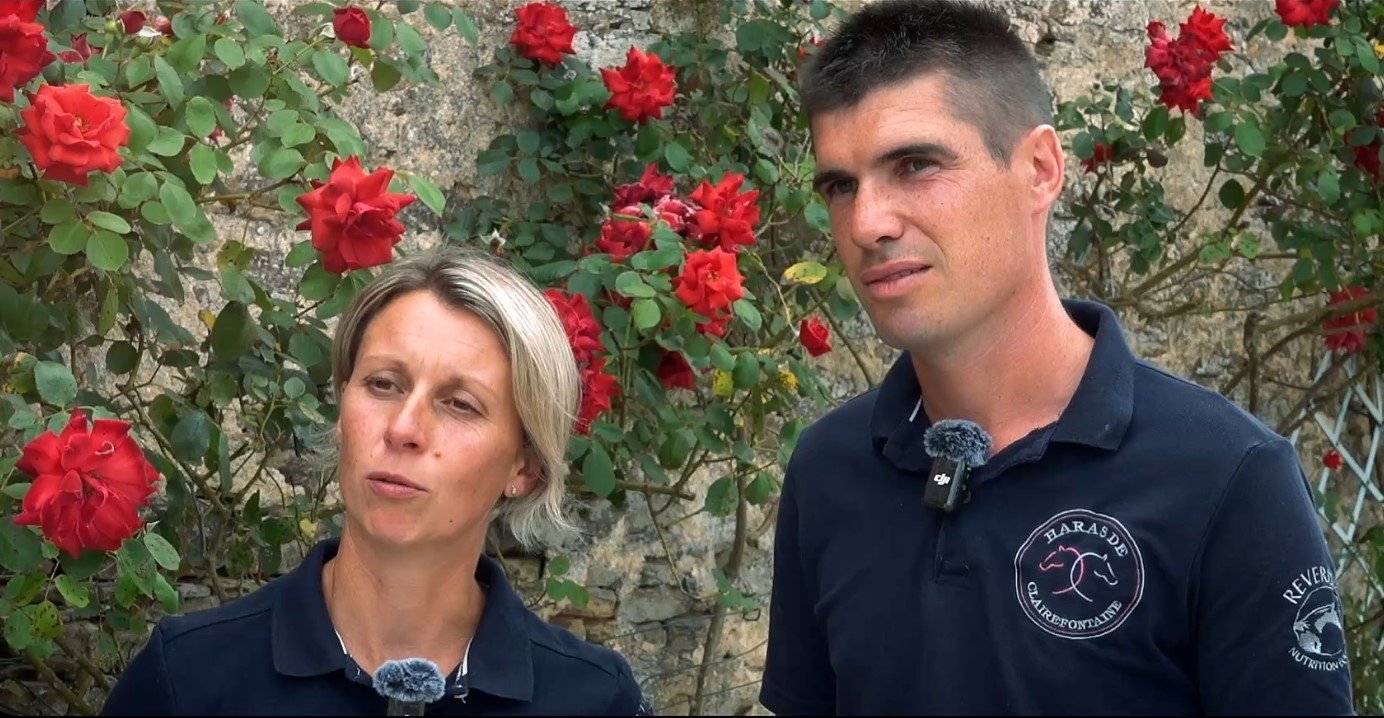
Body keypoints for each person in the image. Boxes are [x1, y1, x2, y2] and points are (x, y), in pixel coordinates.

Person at [760, 0, 1355, 714]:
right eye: (841, 186)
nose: (867, 223)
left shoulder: (1226, 480)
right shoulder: (830, 468)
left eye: (916, 165)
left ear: (1040, 170)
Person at [103, 247, 650, 715]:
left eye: (460, 404)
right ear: (344, 404)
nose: (404, 428)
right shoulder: (189, 678)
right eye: (384, 384)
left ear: (524, 466)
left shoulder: (593, 700)